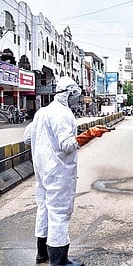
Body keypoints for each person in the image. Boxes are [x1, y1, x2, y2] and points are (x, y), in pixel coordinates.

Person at [23, 77, 109, 266]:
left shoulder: (42, 112)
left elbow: (27, 139)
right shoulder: (63, 114)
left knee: (44, 208)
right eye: (76, 96)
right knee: (60, 212)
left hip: (42, 171)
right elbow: (67, 145)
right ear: (69, 93)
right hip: (58, 171)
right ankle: (59, 260)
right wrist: (90, 134)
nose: (76, 100)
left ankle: (42, 254)